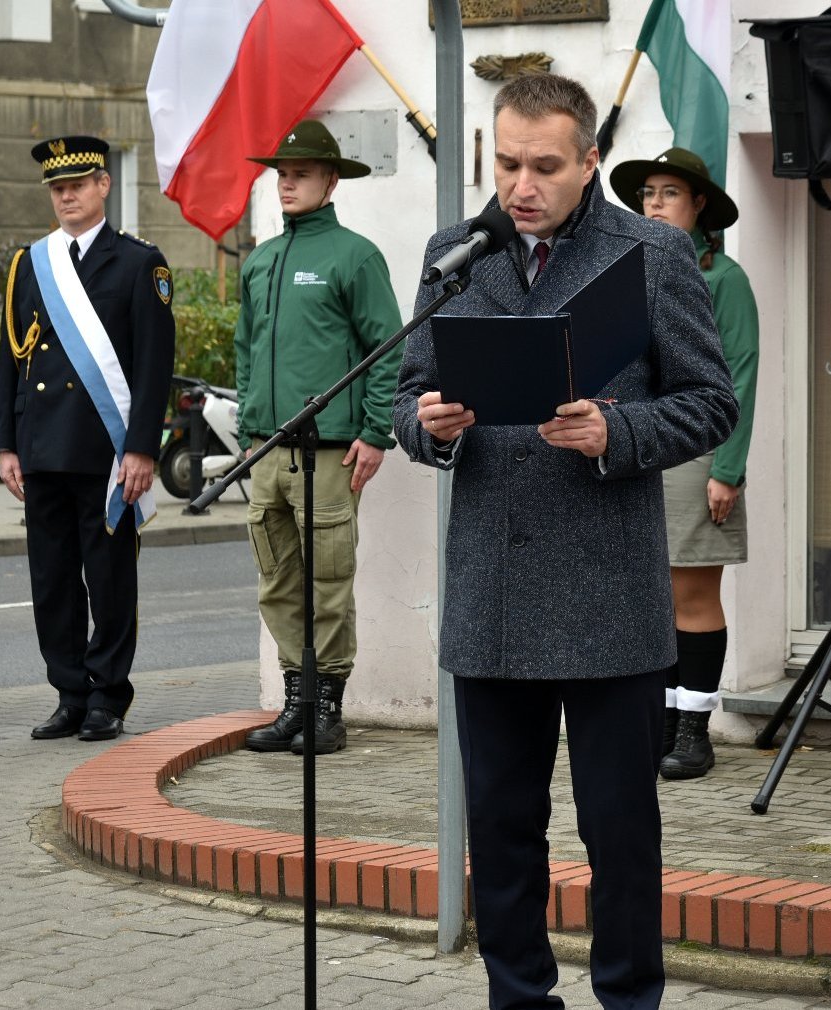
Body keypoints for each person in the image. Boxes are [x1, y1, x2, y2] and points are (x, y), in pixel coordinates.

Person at [394, 75, 736, 1010]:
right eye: (505, 163)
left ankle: (628, 998)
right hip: (493, 589)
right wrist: (430, 425)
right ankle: (520, 996)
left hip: (607, 598)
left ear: (590, 161)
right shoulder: (455, 253)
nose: (521, 185)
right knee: (502, 827)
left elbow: (711, 402)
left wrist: (617, 435)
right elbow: (404, 392)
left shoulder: (654, 253)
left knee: (619, 828)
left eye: (545, 165)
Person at [0, 136, 174, 743]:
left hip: (107, 452)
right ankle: (69, 692)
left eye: (77, 183)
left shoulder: (138, 263)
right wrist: (7, 444)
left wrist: (143, 447)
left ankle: (107, 696)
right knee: (52, 581)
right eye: (56, 187)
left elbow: (153, 364)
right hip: (43, 449)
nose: (66, 195)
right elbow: (8, 360)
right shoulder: (30, 264)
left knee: (109, 579)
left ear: (103, 185)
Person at [233, 120, 404, 756]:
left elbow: (388, 349)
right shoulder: (263, 259)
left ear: (331, 181)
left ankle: (326, 709)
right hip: (269, 453)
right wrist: (251, 431)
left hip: (331, 451)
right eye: (281, 174)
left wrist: (375, 432)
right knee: (278, 581)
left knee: (327, 580)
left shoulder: (354, 255)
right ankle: (295, 703)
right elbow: (246, 351)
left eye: (300, 173)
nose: (287, 183)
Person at [609, 147, 760, 780]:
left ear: (699, 205)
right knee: (653, 597)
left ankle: (695, 729)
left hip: (698, 455)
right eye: (648, 193)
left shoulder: (722, 278)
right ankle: (664, 721)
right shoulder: (630, 268)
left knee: (692, 594)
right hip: (641, 449)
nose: (654, 203)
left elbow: (740, 375)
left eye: (669, 193)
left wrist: (728, 466)